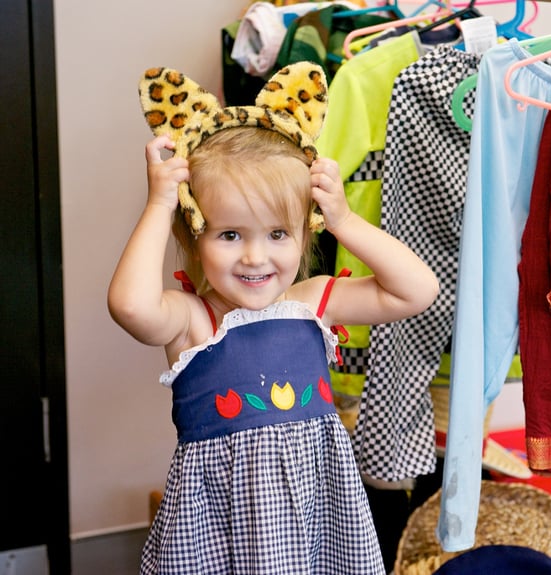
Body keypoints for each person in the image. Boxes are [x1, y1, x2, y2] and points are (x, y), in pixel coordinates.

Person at [108, 66, 439, 574]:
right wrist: (159, 204)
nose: (255, 257)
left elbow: (418, 290)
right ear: (194, 233)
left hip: (318, 526)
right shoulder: (193, 322)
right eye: (230, 235)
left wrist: (345, 220)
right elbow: (129, 307)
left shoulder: (310, 302)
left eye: (277, 234)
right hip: (220, 535)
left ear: (306, 233)